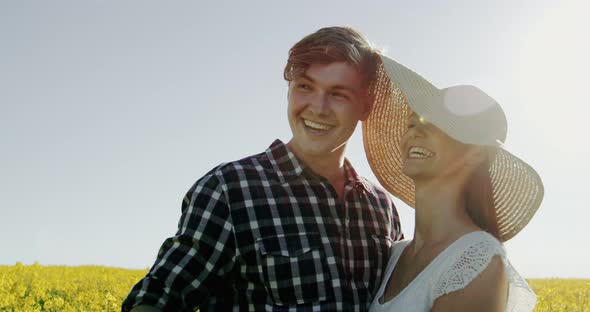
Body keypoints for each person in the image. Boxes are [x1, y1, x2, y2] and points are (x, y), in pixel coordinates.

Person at [122, 27, 404, 312]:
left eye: (339, 94)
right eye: (305, 86)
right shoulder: (230, 188)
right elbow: (158, 298)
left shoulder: (380, 207)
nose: (318, 108)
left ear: (365, 107)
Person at [362, 55, 544, 311]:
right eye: (413, 122)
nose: (415, 131)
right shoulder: (395, 254)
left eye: (440, 125)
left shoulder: (475, 261)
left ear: (477, 152)